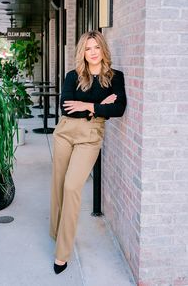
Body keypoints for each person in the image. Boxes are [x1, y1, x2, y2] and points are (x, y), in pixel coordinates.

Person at [49, 30, 127, 274]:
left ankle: (62, 253)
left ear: (103, 48)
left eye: (96, 47)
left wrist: (87, 105)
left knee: (72, 186)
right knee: (59, 184)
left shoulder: (115, 78)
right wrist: (100, 106)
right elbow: (66, 106)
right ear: (82, 52)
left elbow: (119, 108)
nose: (92, 52)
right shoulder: (73, 76)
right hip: (65, 133)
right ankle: (55, 229)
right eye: (87, 48)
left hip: (90, 137)